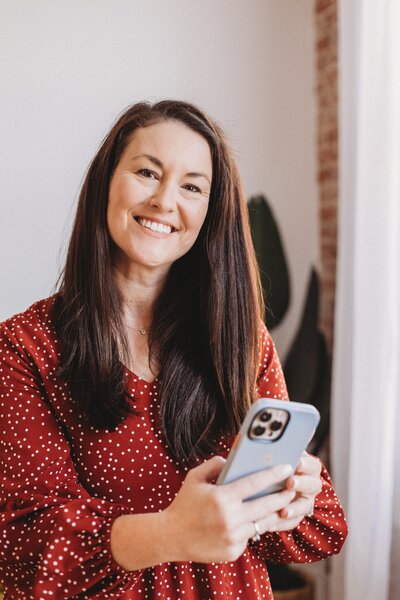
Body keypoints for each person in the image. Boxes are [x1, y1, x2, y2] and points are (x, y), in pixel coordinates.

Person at [0, 100, 347, 599]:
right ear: (106, 183)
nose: (165, 201)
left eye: (192, 186)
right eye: (147, 172)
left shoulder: (242, 341)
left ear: (208, 212)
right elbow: (23, 542)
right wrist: (172, 532)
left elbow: (321, 532)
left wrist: (294, 499)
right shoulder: (26, 346)